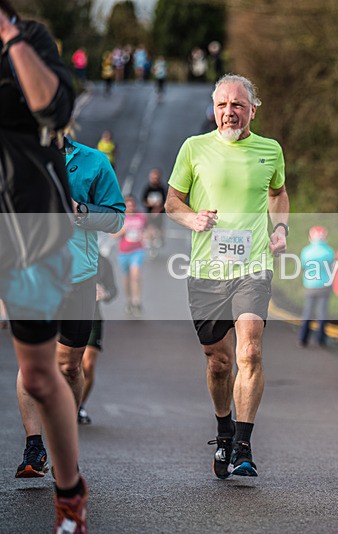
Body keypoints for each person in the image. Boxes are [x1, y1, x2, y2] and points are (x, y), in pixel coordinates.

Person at [165, 73, 289, 479]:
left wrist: (280, 227)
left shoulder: (270, 150)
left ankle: (244, 445)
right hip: (206, 270)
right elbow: (172, 202)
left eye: (237, 105)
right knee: (218, 362)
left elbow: (278, 193)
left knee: (250, 352)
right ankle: (224, 428)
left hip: (253, 266)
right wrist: (192, 218)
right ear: (213, 109)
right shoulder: (193, 148)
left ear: (253, 108)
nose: (229, 112)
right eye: (222, 105)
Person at [0, 2, 87, 530]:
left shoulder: (30, 38)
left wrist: (10, 36)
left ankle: (69, 494)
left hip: (28, 230)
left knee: (38, 373)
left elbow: (53, 110)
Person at [16, 134, 124, 471]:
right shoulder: (15, 154)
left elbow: (116, 218)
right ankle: (34, 448)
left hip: (79, 276)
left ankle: (66, 442)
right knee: (33, 360)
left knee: (70, 365)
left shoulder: (94, 161)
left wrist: (82, 211)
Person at [79, 252, 118, 424]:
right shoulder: (69, 254)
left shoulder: (103, 262)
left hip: (94, 318)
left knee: (88, 364)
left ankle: (78, 406)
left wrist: (105, 293)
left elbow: (113, 289)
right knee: (66, 365)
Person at [298, 225, 335, 348]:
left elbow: (303, 266)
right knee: (322, 313)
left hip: (309, 285)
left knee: (307, 312)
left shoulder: (306, 251)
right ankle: (321, 340)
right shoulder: (329, 251)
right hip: (324, 285)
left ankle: (303, 338)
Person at [115, 196, 146, 317]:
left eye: (132, 205)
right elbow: (113, 235)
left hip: (138, 251)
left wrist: (146, 236)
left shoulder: (141, 217)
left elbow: (145, 230)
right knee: (126, 279)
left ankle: (136, 301)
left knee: (135, 275)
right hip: (124, 252)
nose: (131, 207)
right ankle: (129, 300)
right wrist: (123, 230)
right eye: (128, 205)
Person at [141, 167, 167, 257]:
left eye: (156, 177)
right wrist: (150, 205)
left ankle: (160, 239)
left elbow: (165, 202)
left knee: (159, 229)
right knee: (150, 229)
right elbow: (143, 200)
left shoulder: (161, 189)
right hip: (149, 214)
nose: (154, 179)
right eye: (153, 177)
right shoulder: (147, 188)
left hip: (159, 214)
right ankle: (151, 247)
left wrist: (157, 210)